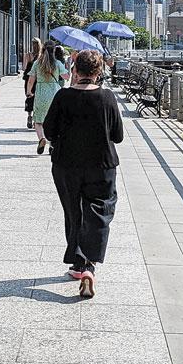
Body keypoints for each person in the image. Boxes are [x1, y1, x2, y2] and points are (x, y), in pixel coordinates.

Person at [40, 49, 124, 299]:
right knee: (101, 209)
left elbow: (49, 131)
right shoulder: (107, 98)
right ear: (98, 73)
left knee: (74, 210)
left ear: (75, 71)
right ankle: (89, 265)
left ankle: (78, 263)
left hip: (67, 165)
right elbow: (117, 136)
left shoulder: (63, 96)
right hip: (102, 165)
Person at [26, 41, 68, 155]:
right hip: (55, 93)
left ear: (43, 50)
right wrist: (68, 67)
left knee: (38, 121)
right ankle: (52, 144)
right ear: (54, 51)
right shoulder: (58, 63)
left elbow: (31, 80)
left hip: (41, 93)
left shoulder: (37, 63)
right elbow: (66, 77)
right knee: (55, 120)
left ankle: (41, 138)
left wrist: (29, 92)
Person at [22, 39, 41, 129]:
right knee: (37, 99)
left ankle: (29, 116)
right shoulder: (41, 56)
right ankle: (35, 119)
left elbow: (24, 67)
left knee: (29, 97)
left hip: (28, 79)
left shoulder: (28, 55)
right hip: (38, 79)